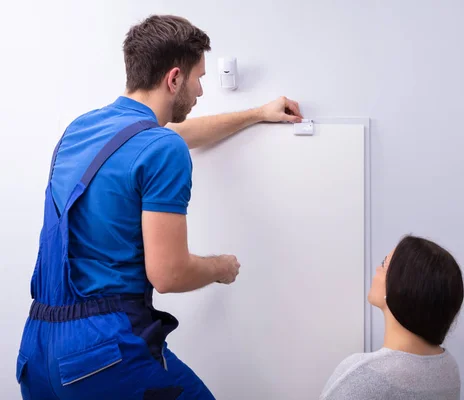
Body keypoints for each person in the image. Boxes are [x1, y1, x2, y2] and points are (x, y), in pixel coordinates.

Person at [15, 14, 302, 400]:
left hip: (38, 352)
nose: (200, 90)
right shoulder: (162, 149)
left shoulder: (82, 129)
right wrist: (221, 267)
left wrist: (256, 114)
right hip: (101, 355)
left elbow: (172, 135)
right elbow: (168, 274)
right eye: (198, 77)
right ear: (173, 78)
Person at [320, 235, 464, 400]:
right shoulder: (447, 368)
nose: (377, 269)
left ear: (402, 286)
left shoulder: (363, 375)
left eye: (384, 264)